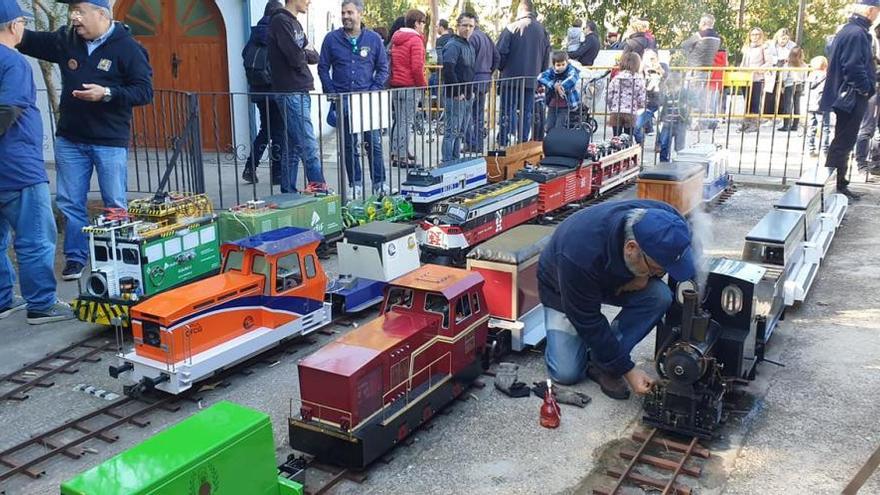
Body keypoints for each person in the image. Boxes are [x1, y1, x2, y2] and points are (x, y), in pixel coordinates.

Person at [18, 0, 153, 281]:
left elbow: (143, 91)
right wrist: (10, 24)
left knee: (114, 203)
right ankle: (76, 259)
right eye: (72, 12)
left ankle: (119, 259)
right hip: (71, 138)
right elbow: (26, 40)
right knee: (70, 203)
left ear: (101, 14)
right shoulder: (67, 40)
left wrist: (107, 93)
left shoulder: (128, 48)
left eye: (80, 12)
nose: (74, 18)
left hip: (109, 141)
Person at [537, 200, 697, 399]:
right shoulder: (578, 254)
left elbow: (682, 252)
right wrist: (628, 370)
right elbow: (588, 320)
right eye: (658, 269)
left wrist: (643, 276)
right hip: (564, 287)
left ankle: (602, 363)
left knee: (659, 296)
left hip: (617, 276)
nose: (660, 274)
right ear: (632, 248)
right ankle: (596, 349)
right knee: (566, 372)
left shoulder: (668, 221)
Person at [0, 0, 74, 324]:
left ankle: (3, 299)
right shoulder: (12, 62)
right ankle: (42, 304)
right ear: (14, 26)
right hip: (17, 166)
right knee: (35, 237)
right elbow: (9, 109)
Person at [319, 0, 389, 197]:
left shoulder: (374, 39)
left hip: (366, 101)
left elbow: (383, 68)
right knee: (349, 146)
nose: (346, 16)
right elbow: (323, 68)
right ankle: (356, 184)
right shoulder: (331, 39)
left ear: (360, 14)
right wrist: (332, 92)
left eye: (350, 12)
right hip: (343, 100)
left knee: (373, 143)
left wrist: (373, 91)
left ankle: (380, 183)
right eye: (343, 12)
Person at [820, 0, 879, 200]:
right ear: (871, 11)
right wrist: (866, 88)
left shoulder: (851, 30)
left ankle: (837, 183)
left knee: (843, 140)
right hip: (851, 95)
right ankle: (837, 185)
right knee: (844, 141)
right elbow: (853, 66)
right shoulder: (857, 33)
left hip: (847, 94)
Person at [267, 0, 327, 193]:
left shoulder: (295, 23)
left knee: (292, 147)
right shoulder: (280, 22)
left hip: (299, 90)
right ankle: (321, 194)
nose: (309, 1)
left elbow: (314, 56)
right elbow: (296, 57)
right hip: (290, 91)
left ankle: (288, 192)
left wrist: (303, 52)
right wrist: (303, 51)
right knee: (309, 147)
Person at [242, 0, 285, 186]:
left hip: (258, 91)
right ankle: (276, 174)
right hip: (275, 90)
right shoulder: (276, 32)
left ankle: (250, 167)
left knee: (265, 130)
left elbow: (245, 55)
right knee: (279, 132)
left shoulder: (254, 33)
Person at [496, 0, 551, 146]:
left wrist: (501, 68)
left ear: (520, 11)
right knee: (527, 112)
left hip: (510, 78)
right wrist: (541, 76)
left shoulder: (511, 27)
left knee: (508, 110)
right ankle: (523, 140)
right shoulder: (542, 30)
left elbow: (500, 52)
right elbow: (546, 57)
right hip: (532, 79)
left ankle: (504, 140)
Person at [389, 9, 428, 167]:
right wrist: (423, 85)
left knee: (399, 121)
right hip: (410, 85)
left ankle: (395, 153)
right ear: (416, 23)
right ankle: (402, 157)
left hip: (396, 85)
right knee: (407, 122)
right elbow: (417, 67)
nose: (424, 26)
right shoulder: (415, 40)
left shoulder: (396, 38)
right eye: (423, 22)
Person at [440, 13, 476, 163]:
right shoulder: (453, 45)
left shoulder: (469, 45)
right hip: (455, 96)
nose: (467, 29)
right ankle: (448, 162)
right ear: (457, 26)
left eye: (471, 26)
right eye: (465, 25)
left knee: (460, 131)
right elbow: (448, 69)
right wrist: (457, 92)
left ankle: (455, 161)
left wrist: (470, 93)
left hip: (467, 95)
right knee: (452, 131)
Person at [681, 13, 722, 129]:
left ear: (703, 23)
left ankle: (692, 122)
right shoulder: (717, 38)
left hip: (695, 69)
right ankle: (701, 122)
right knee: (702, 96)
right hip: (707, 70)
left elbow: (684, 45)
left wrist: (689, 53)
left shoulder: (699, 35)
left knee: (692, 95)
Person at [465, 16, 499, 153]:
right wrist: (489, 73)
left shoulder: (472, 37)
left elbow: (468, 62)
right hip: (484, 79)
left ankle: (471, 142)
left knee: (467, 114)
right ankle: (477, 143)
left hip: (473, 79)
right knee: (478, 114)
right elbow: (497, 57)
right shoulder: (486, 37)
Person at [537, 51, 580, 133]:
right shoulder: (552, 71)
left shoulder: (571, 70)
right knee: (549, 127)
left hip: (565, 104)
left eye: (563, 64)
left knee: (559, 127)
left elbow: (573, 77)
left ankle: (559, 144)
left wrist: (561, 86)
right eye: (558, 65)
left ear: (567, 63)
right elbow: (540, 76)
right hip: (552, 104)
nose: (561, 67)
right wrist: (554, 85)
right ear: (554, 65)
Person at [738, 27, 770, 132]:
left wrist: (760, 69)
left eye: (757, 34)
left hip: (757, 78)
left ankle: (754, 124)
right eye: (753, 34)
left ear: (761, 36)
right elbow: (743, 62)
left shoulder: (764, 47)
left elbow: (768, 62)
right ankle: (746, 122)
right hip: (745, 78)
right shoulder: (746, 47)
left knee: (755, 101)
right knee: (747, 101)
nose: (755, 37)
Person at [606, 51, 645, 136]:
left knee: (616, 137)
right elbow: (641, 97)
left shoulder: (616, 78)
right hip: (631, 112)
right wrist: (639, 106)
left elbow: (609, 95)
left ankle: (616, 149)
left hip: (616, 111)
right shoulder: (639, 79)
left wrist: (611, 106)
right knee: (628, 138)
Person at [657, 72, 691, 162]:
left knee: (679, 147)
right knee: (664, 144)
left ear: (678, 84)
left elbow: (688, 106)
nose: (670, 90)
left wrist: (688, 120)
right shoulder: (668, 94)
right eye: (669, 88)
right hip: (667, 123)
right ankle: (663, 163)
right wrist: (661, 118)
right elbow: (664, 107)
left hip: (680, 123)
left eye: (672, 87)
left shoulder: (684, 93)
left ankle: (679, 163)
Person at [634, 49, 664, 144]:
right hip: (646, 104)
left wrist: (658, 69)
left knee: (662, 127)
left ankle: (659, 144)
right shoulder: (641, 71)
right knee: (636, 127)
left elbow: (666, 77)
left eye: (652, 58)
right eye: (648, 59)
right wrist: (642, 68)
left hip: (661, 102)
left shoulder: (662, 67)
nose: (650, 62)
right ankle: (640, 143)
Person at [764, 28, 796, 117]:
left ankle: (780, 115)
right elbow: (768, 57)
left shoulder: (792, 46)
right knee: (770, 95)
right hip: (773, 71)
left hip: (786, 73)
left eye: (785, 38)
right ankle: (768, 116)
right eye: (781, 38)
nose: (783, 40)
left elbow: (793, 59)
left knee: (783, 95)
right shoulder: (771, 45)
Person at [807, 55, 831, 156]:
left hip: (811, 104)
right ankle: (825, 149)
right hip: (823, 104)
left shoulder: (811, 76)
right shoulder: (827, 76)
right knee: (825, 127)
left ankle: (810, 148)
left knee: (811, 126)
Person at [778, 47, 806, 132]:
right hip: (799, 84)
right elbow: (805, 77)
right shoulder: (804, 65)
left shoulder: (788, 65)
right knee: (797, 105)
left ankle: (786, 125)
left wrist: (782, 85)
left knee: (788, 105)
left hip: (789, 85)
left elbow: (784, 76)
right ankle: (795, 125)